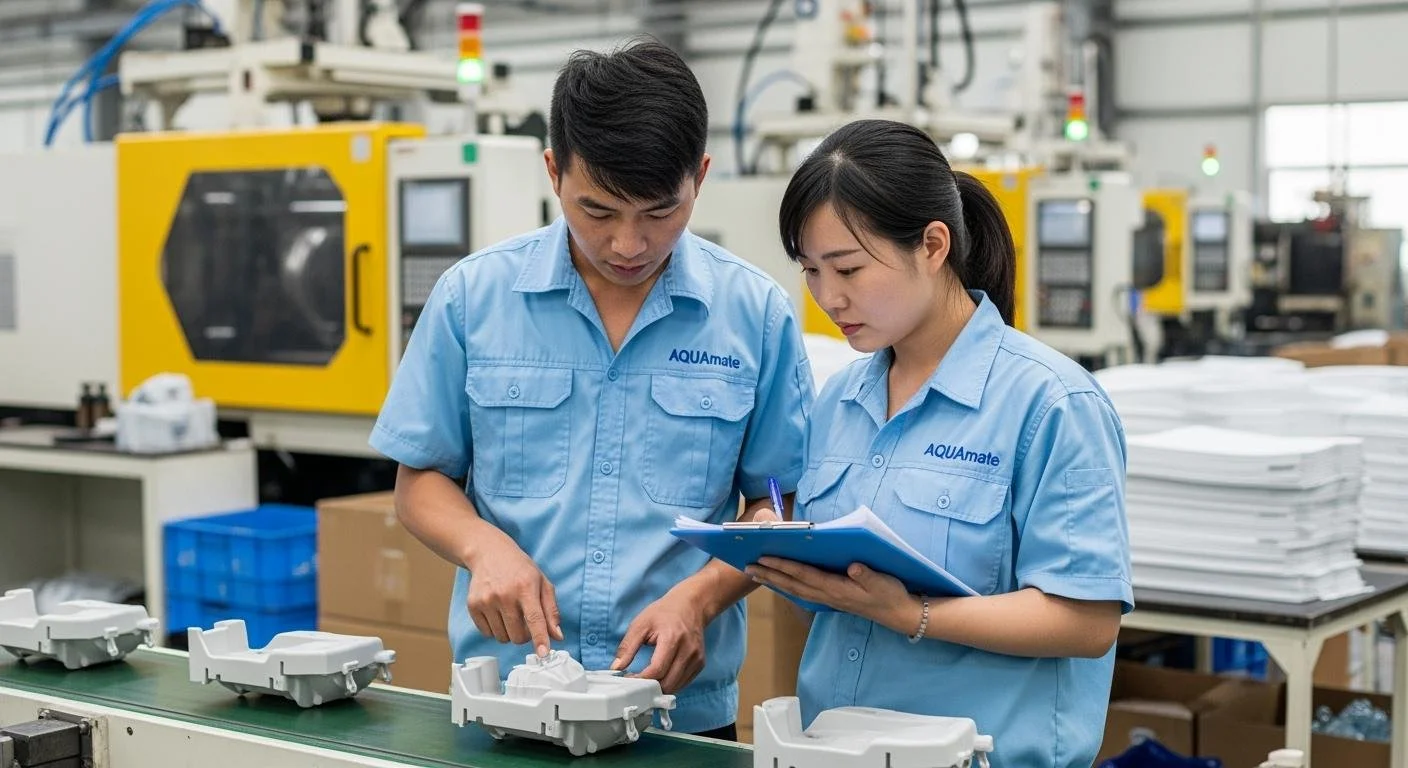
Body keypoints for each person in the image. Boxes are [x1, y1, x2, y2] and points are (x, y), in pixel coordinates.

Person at [367, 38, 812, 741]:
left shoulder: (754, 315)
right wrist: (485, 548)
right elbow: (419, 478)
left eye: (661, 211)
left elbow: (780, 504)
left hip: (678, 717)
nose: (629, 244)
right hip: (508, 704)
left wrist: (701, 598)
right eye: (598, 211)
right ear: (553, 171)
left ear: (700, 175)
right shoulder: (473, 300)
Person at [745, 119, 1133, 767]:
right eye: (811, 271)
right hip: (832, 752)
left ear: (932, 245)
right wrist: (775, 542)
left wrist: (914, 614)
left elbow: (1087, 622)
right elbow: (836, 597)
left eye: (848, 268)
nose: (828, 297)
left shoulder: (1050, 403)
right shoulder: (840, 402)